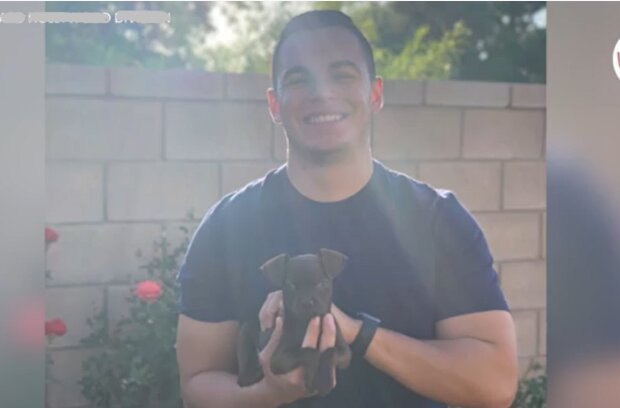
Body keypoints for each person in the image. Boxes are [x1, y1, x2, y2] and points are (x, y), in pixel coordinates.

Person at [175, 10, 517, 408]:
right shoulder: (227, 226)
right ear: (274, 104)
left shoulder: (438, 219)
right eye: (298, 79)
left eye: (342, 75)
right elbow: (197, 384)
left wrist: (356, 333)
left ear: (375, 94)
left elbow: (494, 384)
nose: (321, 92)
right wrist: (268, 394)